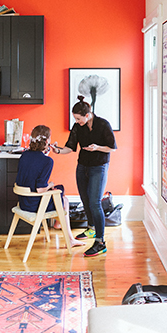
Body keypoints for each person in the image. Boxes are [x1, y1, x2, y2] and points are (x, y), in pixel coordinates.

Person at [52, 95, 117, 258]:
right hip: (82, 166)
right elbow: (70, 147)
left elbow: (112, 148)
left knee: (95, 202)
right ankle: (91, 228)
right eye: (75, 118)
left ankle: (100, 242)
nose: (77, 121)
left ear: (87, 115)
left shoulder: (103, 124)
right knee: (85, 199)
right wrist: (58, 150)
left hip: (99, 167)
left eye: (79, 118)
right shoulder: (77, 127)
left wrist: (98, 148)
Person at [14, 124, 84, 247]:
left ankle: (59, 223)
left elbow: (36, 164)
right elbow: (40, 189)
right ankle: (69, 237)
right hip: (34, 205)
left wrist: (46, 151)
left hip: (23, 201)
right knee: (63, 198)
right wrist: (50, 184)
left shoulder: (25, 155)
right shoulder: (47, 161)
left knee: (61, 193)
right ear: (47, 141)